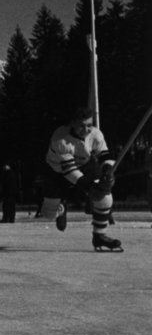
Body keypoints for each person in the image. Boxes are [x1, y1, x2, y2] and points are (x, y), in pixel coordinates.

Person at [40, 106, 121, 251]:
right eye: (81, 126)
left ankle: (99, 236)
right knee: (48, 214)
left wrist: (108, 171)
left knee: (105, 197)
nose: (86, 130)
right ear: (72, 124)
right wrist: (90, 188)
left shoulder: (95, 134)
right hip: (56, 171)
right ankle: (61, 208)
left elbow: (105, 156)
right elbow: (70, 172)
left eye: (89, 125)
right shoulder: (60, 139)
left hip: (85, 165)